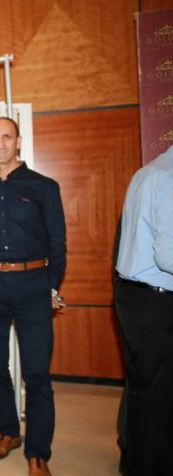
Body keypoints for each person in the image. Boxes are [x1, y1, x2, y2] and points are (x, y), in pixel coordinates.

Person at [0, 117, 66, 476]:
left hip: (32, 286)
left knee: (37, 372)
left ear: (18, 142)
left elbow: (58, 243)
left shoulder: (44, 186)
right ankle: (9, 432)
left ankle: (38, 452)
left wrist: (51, 287)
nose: (0, 144)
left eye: (6, 137)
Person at [115, 145, 173, 476]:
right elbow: (168, 255)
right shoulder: (169, 177)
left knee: (140, 393)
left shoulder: (146, 172)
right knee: (159, 401)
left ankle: (133, 463)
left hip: (131, 297)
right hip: (156, 300)